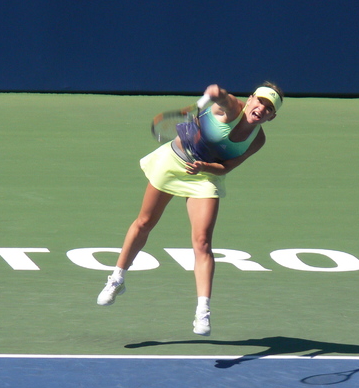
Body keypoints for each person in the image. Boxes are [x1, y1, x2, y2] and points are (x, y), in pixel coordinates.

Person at [96, 82, 283, 336]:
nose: (261, 108)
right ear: (250, 99)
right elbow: (218, 92)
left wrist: (204, 167)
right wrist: (207, 99)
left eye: (269, 108)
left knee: (203, 242)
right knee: (144, 222)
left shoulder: (257, 140)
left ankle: (202, 311)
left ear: (272, 117)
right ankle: (117, 279)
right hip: (173, 161)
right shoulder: (230, 108)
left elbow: (227, 166)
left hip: (204, 174)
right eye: (260, 101)